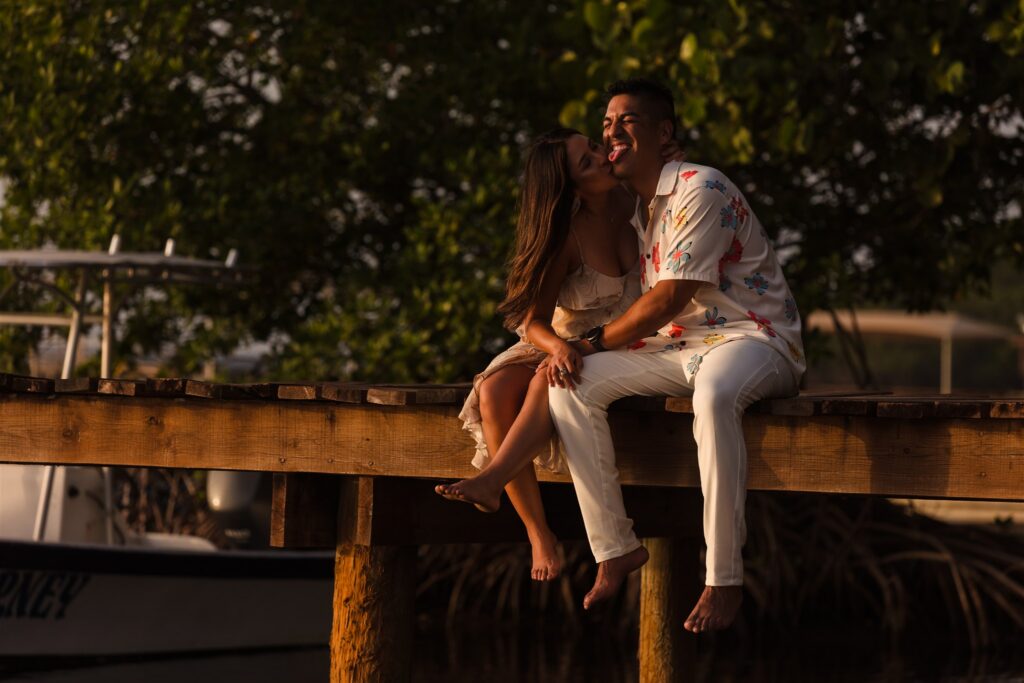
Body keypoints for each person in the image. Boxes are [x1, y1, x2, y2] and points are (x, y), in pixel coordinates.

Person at [442, 78, 806, 634]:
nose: (609, 135)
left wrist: (588, 343)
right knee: (569, 380)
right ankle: (613, 548)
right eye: (606, 125)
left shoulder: (698, 189)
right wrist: (574, 351)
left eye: (626, 122)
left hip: (753, 339)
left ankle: (723, 580)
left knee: (714, 395)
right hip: (679, 345)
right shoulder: (636, 206)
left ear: (665, 133)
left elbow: (666, 299)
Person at [440, 128, 682, 580]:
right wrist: (557, 346)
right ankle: (537, 532)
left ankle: (492, 478)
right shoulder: (566, 236)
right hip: (563, 340)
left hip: (626, 341)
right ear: (571, 187)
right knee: (493, 391)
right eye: (588, 163)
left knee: (544, 381)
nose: (601, 156)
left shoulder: (640, 202)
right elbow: (532, 321)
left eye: (593, 146)